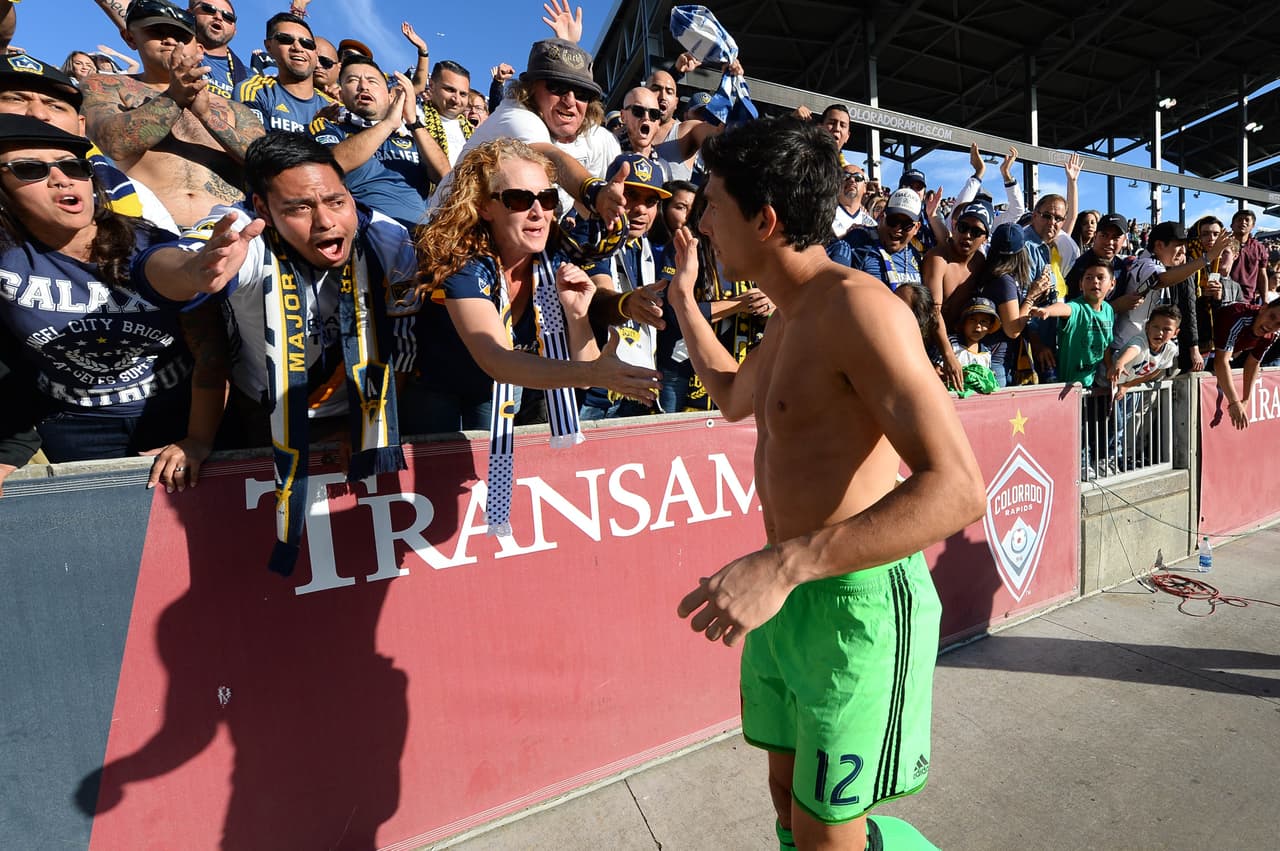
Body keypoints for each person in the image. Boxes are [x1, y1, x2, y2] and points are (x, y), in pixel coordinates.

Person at [670, 115, 985, 851]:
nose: (703, 219)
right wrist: (685, 302)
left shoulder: (859, 308)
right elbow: (730, 394)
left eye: (713, 203)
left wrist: (783, 564)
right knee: (787, 800)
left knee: (826, 834)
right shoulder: (787, 316)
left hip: (859, 604)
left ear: (766, 218)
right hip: (792, 600)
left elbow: (959, 487)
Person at [138, 132, 419, 571]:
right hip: (261, 416)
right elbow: (163, 263)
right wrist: (194, 272)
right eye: (300, 208)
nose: (326, 222)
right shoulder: (239, 233)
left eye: (336, 201)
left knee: (356, 554)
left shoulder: (388, 237)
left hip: (357, 414)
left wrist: (369, 427)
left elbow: (403, 347)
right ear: (263, 209)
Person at [401, 136, 660, 435]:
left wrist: (577, 316)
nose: (538, 212)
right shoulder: (464, 261)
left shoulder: (553, 263)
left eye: (547, 198)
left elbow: (587, 374)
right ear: (485, 207)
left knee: (495, 473)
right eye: (520, 200)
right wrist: (593, 372)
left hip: (498, 390)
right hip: (438, 391)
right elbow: (497, 359)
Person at [0, 115, 194, 486]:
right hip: (69, 427)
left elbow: (211, 348)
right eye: (30, 169)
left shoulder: (150, 242)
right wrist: (9, 442)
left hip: (174, 416)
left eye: (74, 166)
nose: (61, 178)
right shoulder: (5, 257)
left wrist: (199, 436)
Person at [81, 0, 264, 228]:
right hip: (145, 231)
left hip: (231, 232)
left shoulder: (234, 108)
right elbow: (113, 144)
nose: (169, 40)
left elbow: (266, 166)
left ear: (198, 48)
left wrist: (207, 116)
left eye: (181, 36)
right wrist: (173, 98)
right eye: (156, 32)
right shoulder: (105, 85)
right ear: (130, 38)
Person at [0, 52, 178, 232]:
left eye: (56, 106)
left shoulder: (135, 194)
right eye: (15, 99)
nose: (38, 114)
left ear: (80, 126)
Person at [579, 153, 672, 419]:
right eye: (631, 196)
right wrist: (627, 305)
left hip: (632, 389)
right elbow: (598, 299)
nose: (641, 209)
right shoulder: (589, 235)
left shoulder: (644, 245)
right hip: (590, 394)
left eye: (651, 201)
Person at [310, 56, 448, 229]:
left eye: (372, 81)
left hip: (424, 238)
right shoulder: (328, 126)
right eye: (352, 80)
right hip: (366, 235)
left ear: (390, 95)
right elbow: (331, 165)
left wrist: (413, 121)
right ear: (341, 93)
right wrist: (388, 124)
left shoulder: (413, 137)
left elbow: (445, 177)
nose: (363, 86)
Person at [92, 0, 248, 99]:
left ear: (235, 30)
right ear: (189, 13)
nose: (218, 17)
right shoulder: (167, 49)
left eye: (228, 17)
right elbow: (135, 16)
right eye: (208, 9)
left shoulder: (251, 77)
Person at [922, 201, 991, 389]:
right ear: (955, 226)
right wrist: (948, 355)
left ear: (985, 238)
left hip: (961, 343)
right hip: (930, 343)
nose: (967, 235)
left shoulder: (979, 262)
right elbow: (933, 312)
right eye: (963, 227)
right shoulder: (937, 259)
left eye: (976, 232)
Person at [979, 223, 1052, 387]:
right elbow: (1013, 329)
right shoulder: (1004, 281)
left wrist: (1037, 297)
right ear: (1022, 253)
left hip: (1000, 361)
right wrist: (1031, 296)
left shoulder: (995, 275)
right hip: (996, 364)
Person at [236, 12, 332, 134]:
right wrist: (314, 132)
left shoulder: (332, 106)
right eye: (285, 39)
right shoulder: (255, 90)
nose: (298, 48)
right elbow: (255, 148)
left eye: (307, 43)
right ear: (268, 46)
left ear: (315, 53)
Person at [827, 188, 923, 290]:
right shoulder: (859, 239)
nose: (897, 229)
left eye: (906, 225)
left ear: (916, 228)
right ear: (882, 216)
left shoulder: (915, 254)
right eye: (893, 220)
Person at [1210, 297, 1280, 430]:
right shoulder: (1238, 316)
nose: (1271, 325)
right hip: (1198, 349)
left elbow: (1253, 363)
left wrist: (1246, 400)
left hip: (1217, 351)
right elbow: (1220, 362)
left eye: (1278, 324)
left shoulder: (1272, 334)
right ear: (1263, 308)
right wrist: (1234, 402)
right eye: (1271, 316)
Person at [417, 59, 474, 169]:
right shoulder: (414, 116)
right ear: (432, 85)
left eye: (463, 94)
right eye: (450, 90)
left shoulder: (474, 133)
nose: (456, 99)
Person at [1225, 208, 1268, 303]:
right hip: (1225, 297)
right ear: (1232, 225)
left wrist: (1265, 300)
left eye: (1247, 220)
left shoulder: (1259, 248)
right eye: (1239, 220)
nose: (1243, 222)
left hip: (1248, 300)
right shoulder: (1223, 245)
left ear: (1253, 226)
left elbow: (1262, 275)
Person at [950, 296, 1000, 370]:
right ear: (963, 323)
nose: (978, 326)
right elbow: (937, 371)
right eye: (972, 320)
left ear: (990, 327)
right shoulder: (951, 343)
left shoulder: (986, 353)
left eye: (984, 321)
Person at [832, 162, 876, 237]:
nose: (852, 180)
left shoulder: (872, 225)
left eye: (858, 177)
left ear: (865, 187)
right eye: (845, 176)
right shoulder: (824, 216)